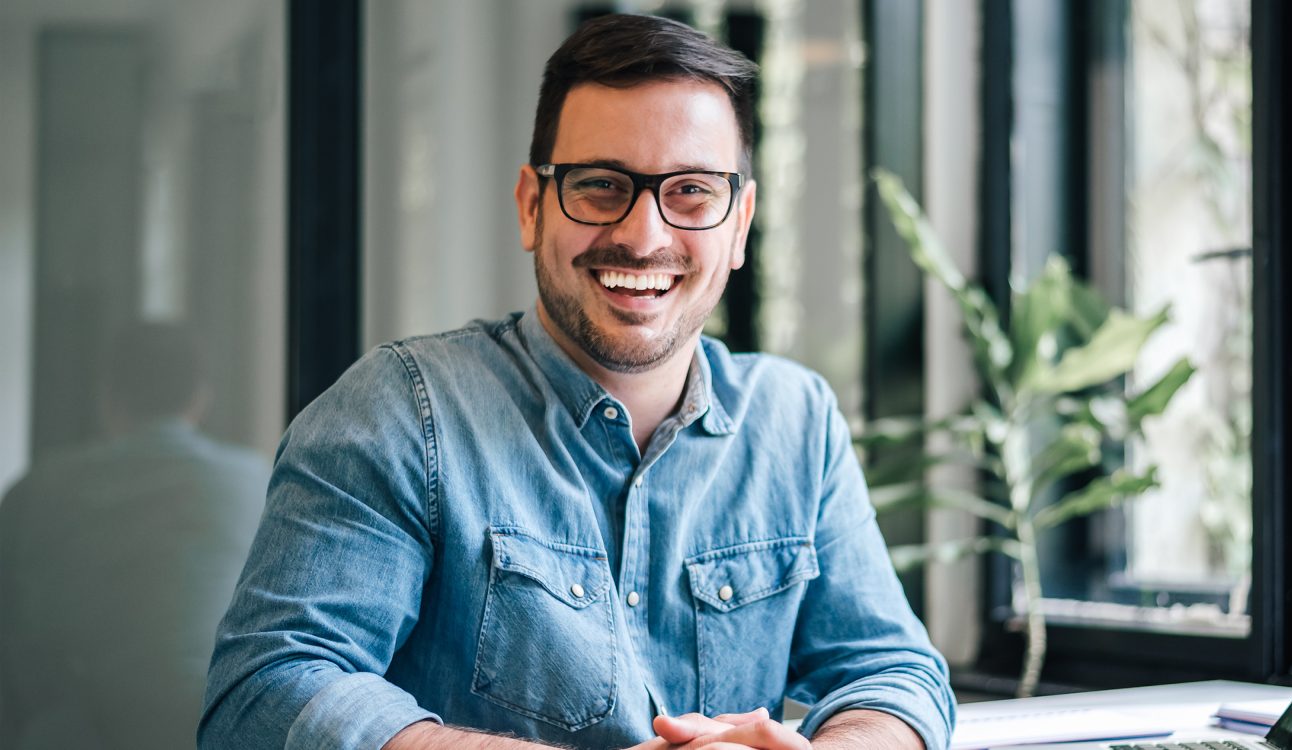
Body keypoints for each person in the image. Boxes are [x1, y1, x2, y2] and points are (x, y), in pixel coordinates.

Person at [199, 13, 955, 750]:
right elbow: (264, 695)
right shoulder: (398, 412)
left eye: (690, 191)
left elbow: (893, 673)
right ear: (533, 206)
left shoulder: (797, 421)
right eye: (599, 186)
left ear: (739, 225)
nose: (644, 234)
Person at [0, 322, 270, 750]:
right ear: (201, 397)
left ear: (108, 396)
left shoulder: (37, 492)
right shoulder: (256, 484)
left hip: (77, 731)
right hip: (209, 729)